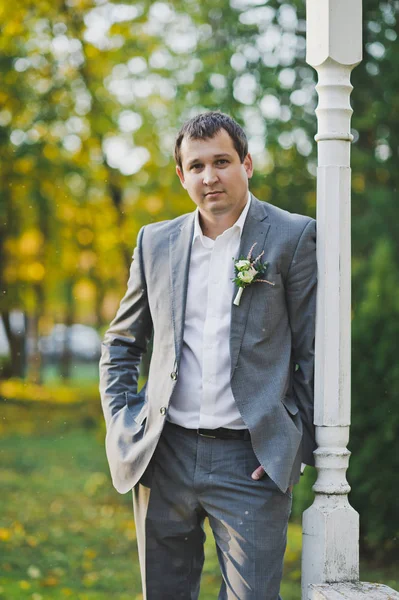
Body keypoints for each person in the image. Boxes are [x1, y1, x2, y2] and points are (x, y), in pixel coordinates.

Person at [99, 111, 317, 599]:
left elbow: (311, 353)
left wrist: (290, 445)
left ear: (247, 164)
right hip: (164, 454)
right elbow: (121, 343)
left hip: (250, 460)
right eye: (196, 166)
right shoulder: (155, 241)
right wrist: (122, 423)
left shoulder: (292, 236)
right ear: (181, 175)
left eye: (222, 161)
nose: (209, 177)